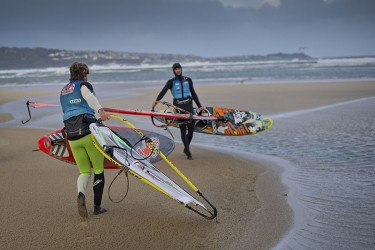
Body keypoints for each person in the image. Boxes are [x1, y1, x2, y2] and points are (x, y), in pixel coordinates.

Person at [60, 62, 110, 218]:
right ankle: (97, 207)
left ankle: (81, 194)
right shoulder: (83, 85)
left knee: (84, 171)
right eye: (86, 73)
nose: (87, 76)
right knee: (98, 169)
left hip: (72, 137)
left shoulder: (63, 91)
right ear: (82, 73)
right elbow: (89, 97)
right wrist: (101, 111)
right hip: (88, 133)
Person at [152, 63, 204, 160]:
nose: (178, 70)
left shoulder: (188, 80)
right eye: (176, 69)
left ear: (181, 69)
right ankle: (188, 151)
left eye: (179, 68)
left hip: (188, 105)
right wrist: (157, 100)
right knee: (183, 129)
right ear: (173, 71)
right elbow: (163, 91)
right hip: (178, 106)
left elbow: (193, 93)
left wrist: (199, 106)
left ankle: (186, 147)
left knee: (191, 129)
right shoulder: (171, 82)